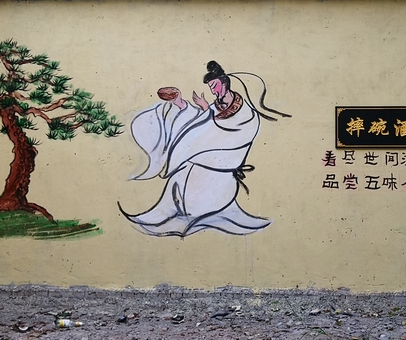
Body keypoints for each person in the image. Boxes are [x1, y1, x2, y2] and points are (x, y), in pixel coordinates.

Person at [121, 61, 285, 237]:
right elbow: (202, 122)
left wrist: (207, 110)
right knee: (181, 176)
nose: (213, 91)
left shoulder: (246, 114)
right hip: (202, 163)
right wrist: (181, 104)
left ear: (224, 83)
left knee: (203, 200)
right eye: (211, 88)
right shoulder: (217, 106)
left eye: (214, 86)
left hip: (220, 169)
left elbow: (226, 131)